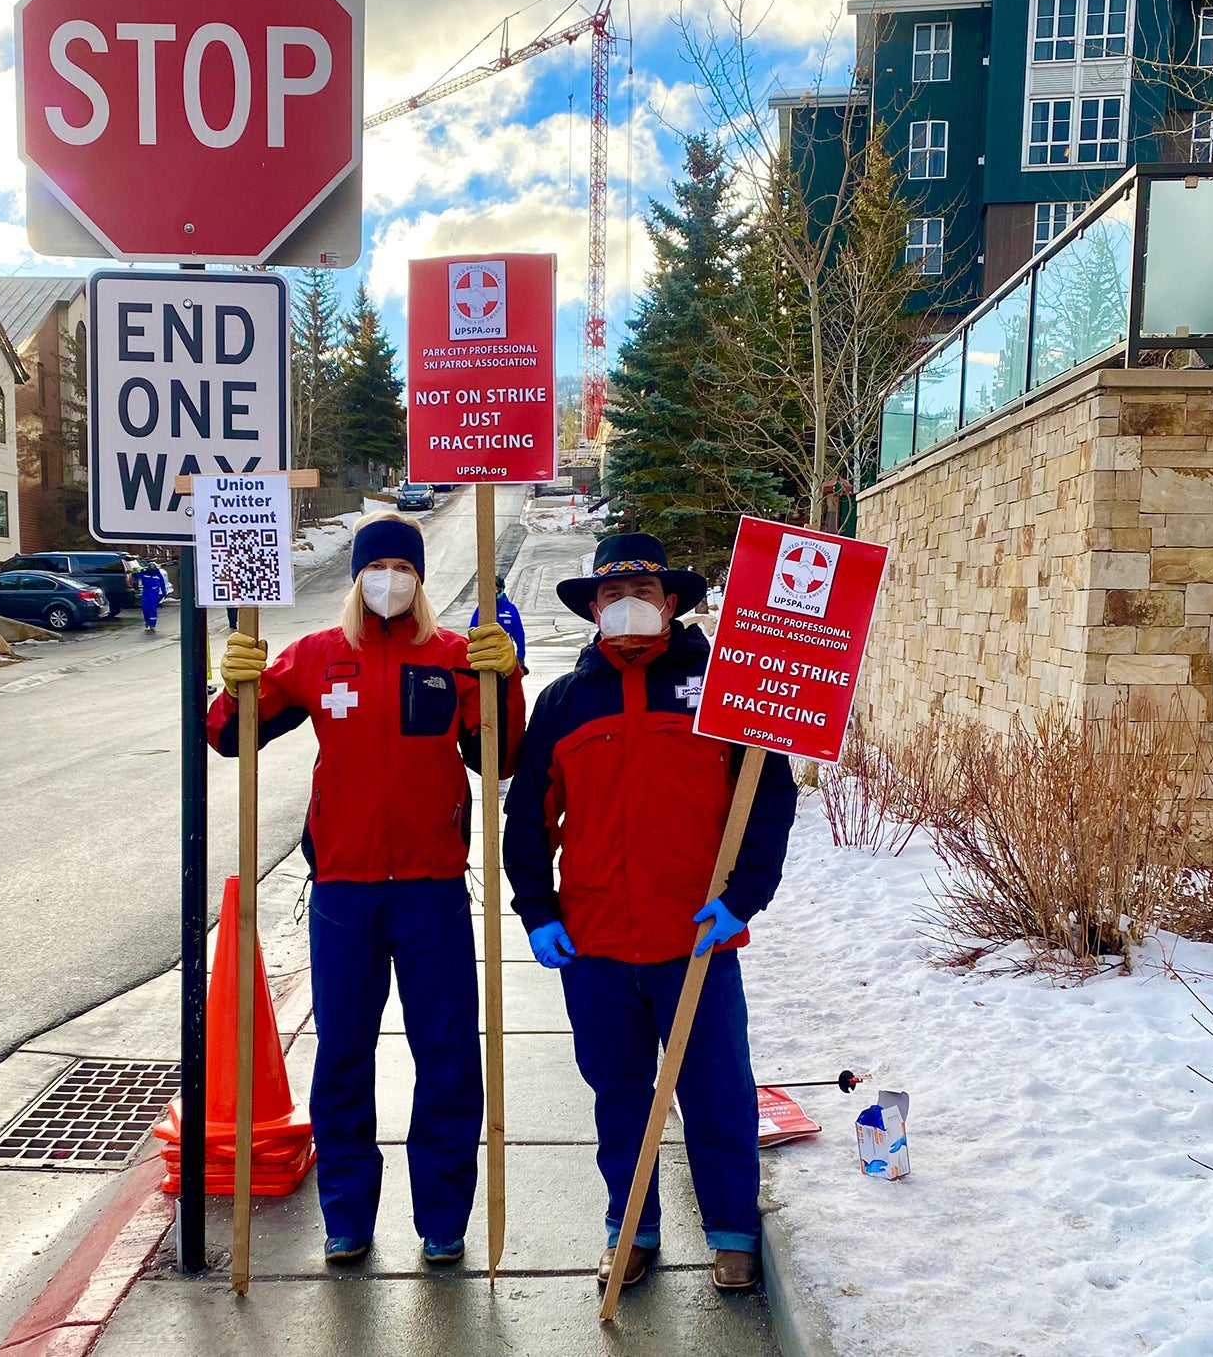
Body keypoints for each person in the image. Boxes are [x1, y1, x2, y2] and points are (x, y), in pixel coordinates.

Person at [208, 512, 525, 1267]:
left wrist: (506, 680)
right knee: (343, 1056)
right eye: (376, 569)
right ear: (357, 578)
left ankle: (443, 1218)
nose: (389, 582)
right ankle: (347, 1214)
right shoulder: (319, 656)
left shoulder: (453, 656)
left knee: (447, 1056)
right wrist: (234, 685)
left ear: (420, 581)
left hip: (433, 892)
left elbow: (501, 757)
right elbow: (230, 737)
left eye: (403, 570)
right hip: (345, 895)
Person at [502, 532, 798, 1294]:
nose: (626, 605)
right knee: (620, 1097)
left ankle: (732, 1232)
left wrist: (744, 897)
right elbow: (528, 819)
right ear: (594, 607)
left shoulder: (722, 685)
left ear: (671, 603)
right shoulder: (566, 702)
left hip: (695, 938)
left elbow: (767, 796)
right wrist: (536, 909)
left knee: (716, 1092)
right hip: (595, 944)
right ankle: (629, 1230)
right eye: (610, 595)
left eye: (643, 592)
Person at [469, 575, 526, 666]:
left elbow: (519, 634)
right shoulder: (481, 609)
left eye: (496, 588)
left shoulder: (510, 609)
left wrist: (520, 656)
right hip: (485, 655)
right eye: (491, 589)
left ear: (501, 589)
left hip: (505, 656)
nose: (494, 591)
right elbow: (472, 632)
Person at [138, 560, 169, 631]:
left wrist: (163, 593)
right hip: (146, 593)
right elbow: (135, 576)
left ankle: (152, 624)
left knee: (153, 610)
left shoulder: (158, 575)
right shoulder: (144, 573)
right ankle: (147, 621)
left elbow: (162, 584)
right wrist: (134, 571)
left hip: (155, 593)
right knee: (145, 609)